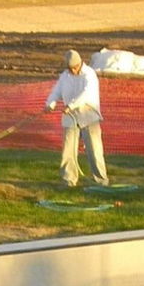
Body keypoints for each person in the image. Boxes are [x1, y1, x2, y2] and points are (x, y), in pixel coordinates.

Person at [43, 49, 109, 187]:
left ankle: (101, 181)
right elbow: (56, 91)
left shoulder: (89, 74)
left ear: (80, 63)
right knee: (68, 150)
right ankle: (69, 180)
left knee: (94, 150)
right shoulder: (64, 76)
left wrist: (71, 105)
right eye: (70, 68)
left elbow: (86, 94)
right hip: (70, 116)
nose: (73, 70)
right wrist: (50, 103)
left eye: (75, 67)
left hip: (88, 114)